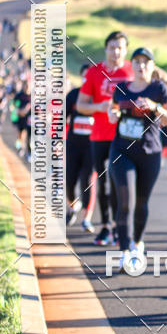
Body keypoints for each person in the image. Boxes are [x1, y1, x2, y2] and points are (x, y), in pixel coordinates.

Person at [108, 47, 167, 272]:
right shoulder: (121, 88)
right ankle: (125, 250)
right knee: (125, 200)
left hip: (150, 152)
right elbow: (113, 110)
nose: (141, 66)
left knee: (141, 202)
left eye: (146, 62)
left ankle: (138, 243)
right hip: (122, 150)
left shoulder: (159, 89)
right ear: (132, 64)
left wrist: (155, 107)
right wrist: (113, 114)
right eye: (137, 61)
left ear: (152, 66)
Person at [76, 31, 132, 246]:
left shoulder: (132, 70)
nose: (115, 51)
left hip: (126, 136)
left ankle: (121, 227)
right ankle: (107, 226)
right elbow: (81, 105)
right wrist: (98, 106)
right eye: (111, 47)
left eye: (120, 47)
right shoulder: (94, 72)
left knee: (123, 183)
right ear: (105, 48)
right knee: (104, 183)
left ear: (125, 50)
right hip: (100, 136)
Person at [66, 63, 95, 231]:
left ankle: (86, 218)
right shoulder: (74, 95)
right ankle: (73, 204)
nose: (87, 80)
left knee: (87, 181)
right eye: (85, 76)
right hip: (73, 145)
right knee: (69, 181)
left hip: (92, 147)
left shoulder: (99, 98)